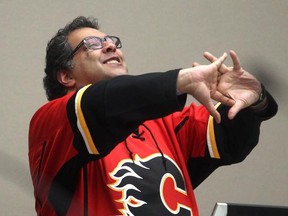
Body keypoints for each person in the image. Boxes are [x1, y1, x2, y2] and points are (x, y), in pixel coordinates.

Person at [28, 16, 278, 216]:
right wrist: (181, 80)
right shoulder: (51, 123)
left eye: (111, 41)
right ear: (66, 76)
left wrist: (255, 99)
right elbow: (101, 103)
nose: (111, 45)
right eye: (92, 44)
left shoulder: (163, 124)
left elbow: (229, 139)